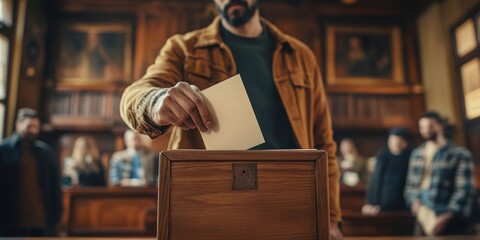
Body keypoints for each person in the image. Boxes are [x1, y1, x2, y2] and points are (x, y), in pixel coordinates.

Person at [119, 0, 342, 238]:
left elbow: (324, 143)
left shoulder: (301, 56)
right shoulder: (184, 48)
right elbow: (133, 96)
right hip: (208, 202)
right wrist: (156, 101)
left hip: (291, 203)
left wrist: (330, 219)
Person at [404, 112, 474, 236]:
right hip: (423, 213)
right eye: (422, 127)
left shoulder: (459, 154)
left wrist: (448, 215)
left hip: (449, 215)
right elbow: (410, 184)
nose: (426, 130)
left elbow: (464, 189)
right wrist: (413, 202)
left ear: (440, 126)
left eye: (430, 126)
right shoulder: (417, 154)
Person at [0, 108, 63, 236]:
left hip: (41, 223)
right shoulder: (3, 150)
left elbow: (54, 186)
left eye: (36, 127)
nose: (33, 130)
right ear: (18, 124)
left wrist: (56, 215)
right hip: (10, 222)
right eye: (29, 126)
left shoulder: (46, 152)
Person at [362, 127, 412, 216]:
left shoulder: (411, 156)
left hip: (404, 205)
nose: (396, 144)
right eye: (393, 141)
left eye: (399, 141)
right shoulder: (383, 155)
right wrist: (372, 202)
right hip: (383, 205)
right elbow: (376, 180)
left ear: (406, 142)